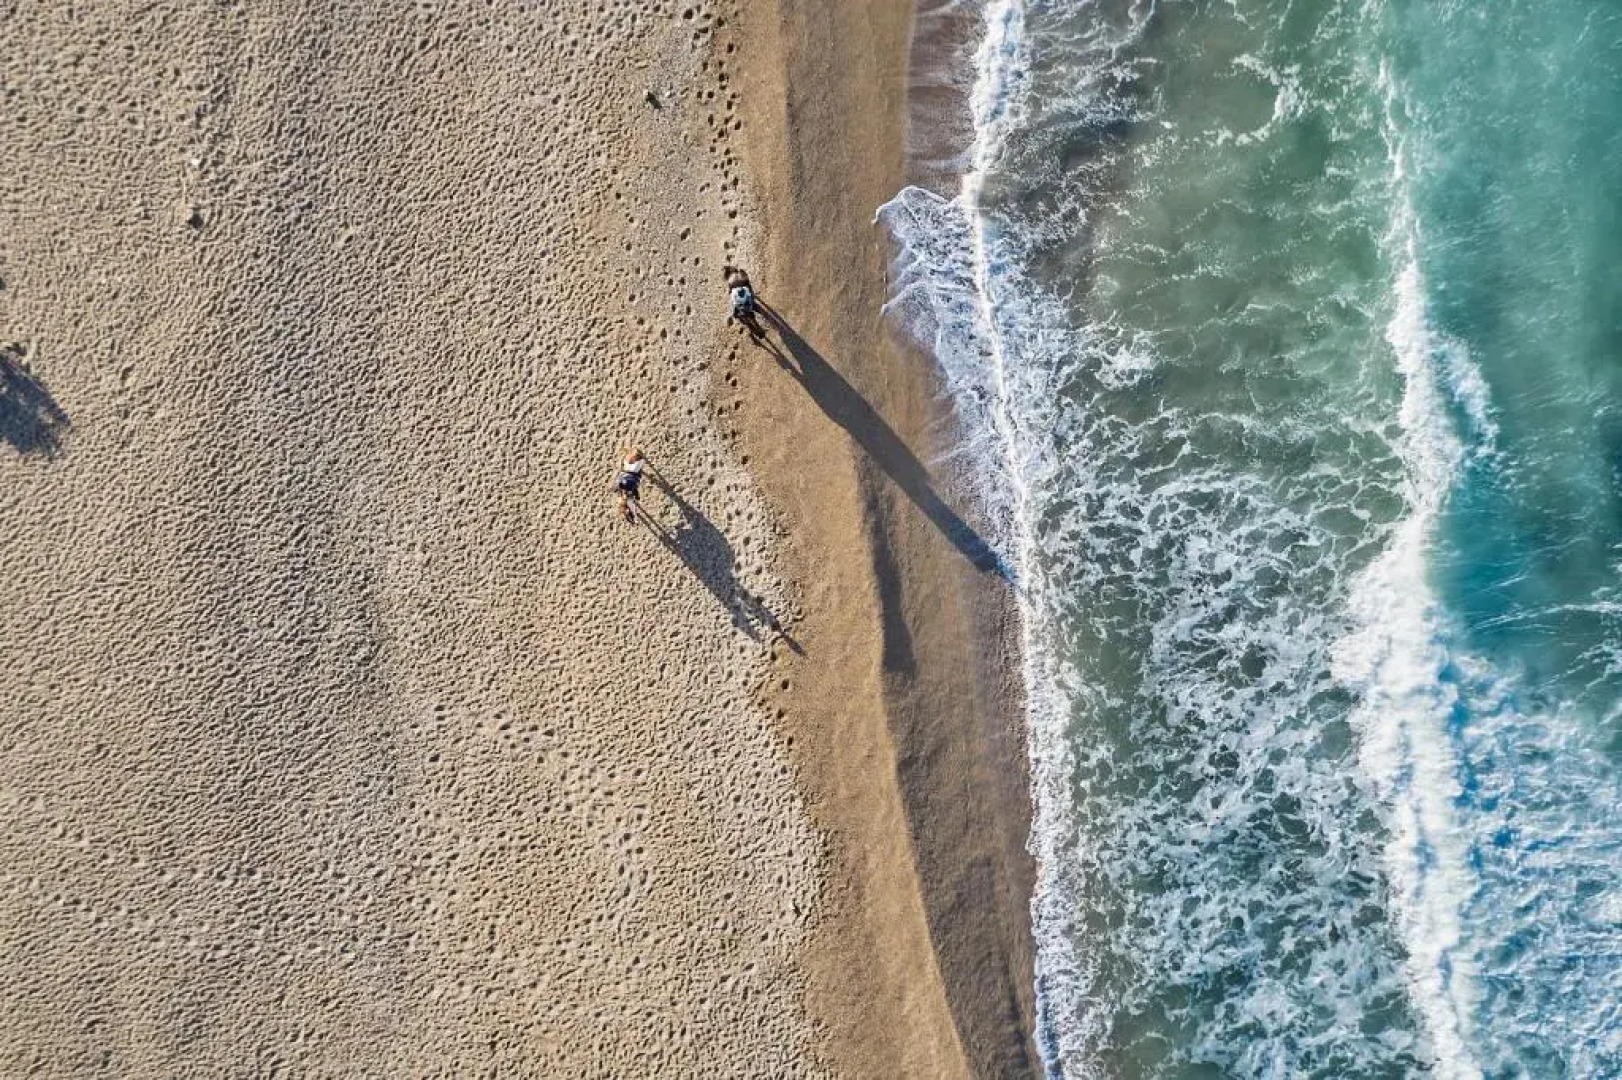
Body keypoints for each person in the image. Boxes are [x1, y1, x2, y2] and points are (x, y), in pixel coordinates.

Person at [723, 264, 761, 333]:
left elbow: (730, 292)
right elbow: (748, 283)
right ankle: (754, 316)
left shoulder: (730, 280)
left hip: (739, 298)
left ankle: (748, 324)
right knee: (752, 305)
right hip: (746, 295)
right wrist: (752, 294)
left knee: (736, 313)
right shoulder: (741, 273)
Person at [616, 448, 647, 521]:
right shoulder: (635, 464)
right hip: (629, 477)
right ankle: (628, 512)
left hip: (628, 477)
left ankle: (628, 512)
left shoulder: (631, 463)